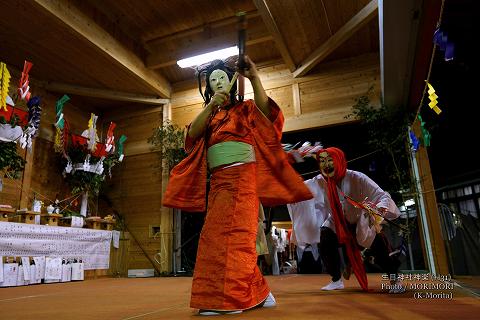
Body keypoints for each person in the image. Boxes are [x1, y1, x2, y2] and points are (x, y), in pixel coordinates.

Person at [162, 56, 313, 315]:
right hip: (219, 182)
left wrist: (254, 77)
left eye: (222, 77)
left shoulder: (246, 110)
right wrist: (210, 107)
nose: (219, 82)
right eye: (213, 80)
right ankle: (256, 293)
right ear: (209, 89)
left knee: (235, 238)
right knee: (214, 237)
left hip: (244, 179)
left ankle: (230, 299)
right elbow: (190, 136)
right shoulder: (210, 116)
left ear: (231, 83)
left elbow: (269, 116)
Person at [289, 147, 404, 293]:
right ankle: (336, 280)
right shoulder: (319, 181)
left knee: (379, 248)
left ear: (339, 161)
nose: (326, 165)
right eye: (322, 161)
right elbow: (297, 188)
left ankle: (395, 279)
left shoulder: (358, 178)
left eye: (330, 160)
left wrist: (377, 210)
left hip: (361, 221)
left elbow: (382, 196)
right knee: (325, 237)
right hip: (337, 223)